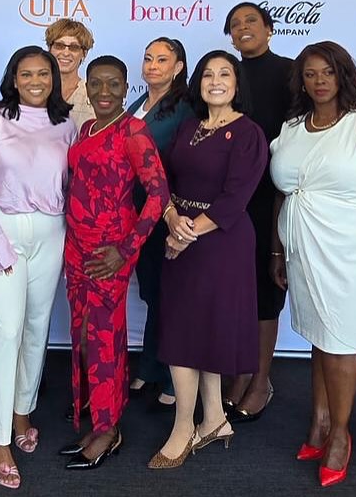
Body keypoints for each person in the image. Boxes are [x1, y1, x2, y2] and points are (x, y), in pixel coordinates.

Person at [269, 42, 356, 487]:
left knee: (342, 340)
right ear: (302, 81)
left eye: (328, 72)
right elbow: (281, 194)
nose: (320, 81)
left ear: (343, 75)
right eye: (310, 74)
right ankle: (321, 420)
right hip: (302, 249)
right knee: (319, 334)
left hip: (354, 252)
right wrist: (277, 250)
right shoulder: (291, 128)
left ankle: (341, 435)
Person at [150, 51, 267, 469]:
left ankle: (183, 428)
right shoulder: (190, 126)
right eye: (208, 75)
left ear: (237, 83)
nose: (215, 81)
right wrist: (171, 219)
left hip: (221, 243)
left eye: (225, 74)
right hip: (180, 231)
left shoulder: (249, 133)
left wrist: (185, 235)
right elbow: (163, 179)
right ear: (198, 83)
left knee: (191, 334)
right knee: (189, 329)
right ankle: (214, 418)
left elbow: (234, 199)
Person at [0, 47, 76, 489]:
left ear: (54, 78)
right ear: (13, 78)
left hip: (51, 231)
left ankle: (21, 412)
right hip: (3, 229)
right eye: (26, 73)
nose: (35, 81)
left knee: (35, 327)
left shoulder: (65, 124)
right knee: (7, 331)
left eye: (43, 73)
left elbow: (71, 184)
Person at [60, 56, 169, 470]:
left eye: (114, 84)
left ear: (126, 88)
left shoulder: (133, 131)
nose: (104, 92)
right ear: (86, 86)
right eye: (96, 83)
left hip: (110, 252)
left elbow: (158, 195)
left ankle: (108, 429)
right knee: (84, 336)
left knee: (103, 338)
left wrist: (126, 249)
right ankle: (99, 420)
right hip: (77, 248)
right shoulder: (87, 127)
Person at [222, 1, 293, 422]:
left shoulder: (289, 72)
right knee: (235, 289)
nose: (243, 28)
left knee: (266, 291)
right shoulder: (225, 72)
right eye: (235, 24)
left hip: (272, 194)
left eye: (251, 21)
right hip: (232, 197)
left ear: (269, 28)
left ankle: (261, 378)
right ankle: (240, 371)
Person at [126, 37, 193, 408]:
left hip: (167, 213)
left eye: (162, 60)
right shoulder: (136, 104)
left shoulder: (184, 108)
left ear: (178, 67)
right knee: (153, 293)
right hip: (137, 215)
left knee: (170, 297)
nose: (153, 65)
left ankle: (171, 375)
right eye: (148, 58)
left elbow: (184, 163)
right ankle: (150, 366)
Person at [44, 18, 95, 129]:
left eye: (74, 47)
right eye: (59, 46)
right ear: (49, 49)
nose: (66, 53)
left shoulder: (93, 94)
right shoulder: (36, 90)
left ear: (84, 53)